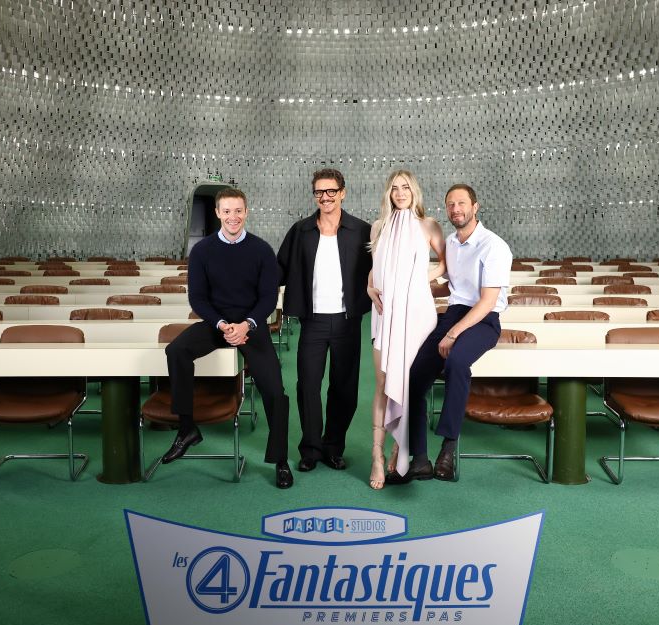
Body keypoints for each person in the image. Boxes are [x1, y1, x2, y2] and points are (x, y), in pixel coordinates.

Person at [162, 187, 293, 489]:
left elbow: (268, 297)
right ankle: (186, 428)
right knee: (176, 351)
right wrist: (222, 325)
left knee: (275, 391)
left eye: (238, 211)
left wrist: (247, 325)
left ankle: (281, 460)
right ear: (217, 213)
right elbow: (198, 298)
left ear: (246, 212)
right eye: (227, 211)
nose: (233, 217)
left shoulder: (261, 250)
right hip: (216, 324)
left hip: (251, 327)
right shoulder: (202, 251)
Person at [407, 184, 512, 481]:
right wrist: (414, 287)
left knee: (456, 362)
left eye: (462, 203)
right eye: (451, 204)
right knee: (414, 377)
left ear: (475, 207)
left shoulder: (494, 246)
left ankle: (448, 448)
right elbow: (452, 286)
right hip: (454, 313)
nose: (456, 209)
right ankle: (420, 458)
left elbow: (487, 301)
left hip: (484, 319)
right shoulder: (451, 243)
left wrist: (453, 333)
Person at [277, 169, 372, 473]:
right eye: (319, 192)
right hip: (313, 320)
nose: (325, 197)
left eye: (331, 191)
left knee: (344, 388)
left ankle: (333, 447)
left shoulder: (362, 231)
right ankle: (310, 449)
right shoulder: (301, 230)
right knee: (308, 386)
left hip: (347, 321)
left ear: (343, 192)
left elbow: (381, 270)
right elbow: (278, 269)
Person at [367, 170, 446, 489]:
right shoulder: (378, 226)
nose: (400, 193)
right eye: (395, 188)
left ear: (415, 191)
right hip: (385, 313)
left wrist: (415, 282)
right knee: (383, 381)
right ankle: (376, 455)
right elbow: (375, 270)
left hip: (416, 313)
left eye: (406, 187)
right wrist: (370, 287)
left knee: (408, 383)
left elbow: (445, 265)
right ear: (388, 193)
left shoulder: (429, 225)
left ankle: (400, 449)